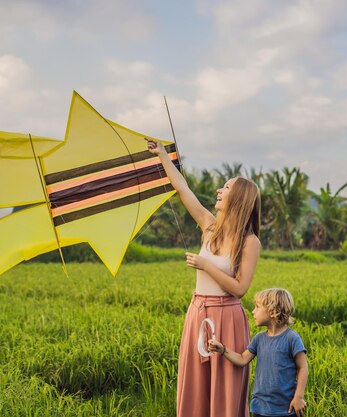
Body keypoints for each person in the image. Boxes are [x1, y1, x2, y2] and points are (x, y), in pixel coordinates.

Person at [146, 138, 262, 417]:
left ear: (240, 198)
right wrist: (162, 154)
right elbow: (181, 188)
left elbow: (241, 288)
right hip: (198, 313)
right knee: (194, 385)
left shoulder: (250, 242)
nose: (219, 190)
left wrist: (205, 265)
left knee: (225, 389)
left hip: (228, 318)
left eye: (227, 187)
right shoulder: (209, 226)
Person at [209, 288, 308, 417]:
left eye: (257, 307)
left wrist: (298, 397)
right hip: (260, 408)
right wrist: (222, 349)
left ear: (273, 312)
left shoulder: (291, 338)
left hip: (285, 409)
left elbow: (303, 366)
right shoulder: (259, 339)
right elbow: (242, 359)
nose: (253, 311)